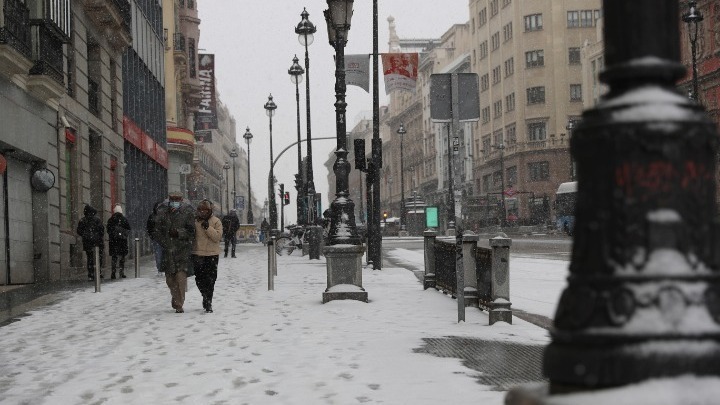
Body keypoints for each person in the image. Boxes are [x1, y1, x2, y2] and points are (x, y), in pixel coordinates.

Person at [151, 191, 196, 313]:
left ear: (181, 200)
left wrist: (179, 233)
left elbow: (192, 232)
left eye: (177, 199)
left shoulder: (188, 212)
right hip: (168, 251)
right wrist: (164, 241)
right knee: (170, 280)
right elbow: (156, 230)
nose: (175, 202)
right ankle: (175, 297)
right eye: (172, 199)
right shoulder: (162, 211)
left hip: (182, 251)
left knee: (180, 278)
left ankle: (178, 304)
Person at [192, 199, 223, 313]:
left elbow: (217, 237)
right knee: (199, 279)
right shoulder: (195, 221)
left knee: (211, 279)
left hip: (212, 254)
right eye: (201, 210)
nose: (203, 212)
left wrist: (207, 227)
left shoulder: (216, 221)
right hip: (198, 253)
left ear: (210, 210)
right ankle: (205, 295)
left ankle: (208, 301)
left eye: (205, 210)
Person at [76, 204, 105, 281]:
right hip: (97, 242)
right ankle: (98, 272)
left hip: (87, 242)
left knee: (90, 258)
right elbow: (102, 231)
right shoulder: (97, 220)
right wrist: (97, 236)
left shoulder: (82, 220)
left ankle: (91, 274)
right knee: (98, 258)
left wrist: (85, 235)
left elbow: (79, 231)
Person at [106, 204, 131, 279]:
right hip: (122, 241)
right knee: (122, 257)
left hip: (114, 241)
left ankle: (113, 272)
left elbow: (108, 230)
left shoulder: (111, 219)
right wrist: (123, 234)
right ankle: (121, 272)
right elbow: (128, 229)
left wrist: (113, 234)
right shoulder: (124, 219)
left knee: (114, 257)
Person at [146, 200, 165, 276]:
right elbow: (149, 227)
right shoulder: (152, 216)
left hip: (165, 239)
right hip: (157, 239)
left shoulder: (165, 216)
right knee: (158, 255)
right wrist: (152, 236)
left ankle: (163, 269)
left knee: (165, 255)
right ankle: (159, 269)